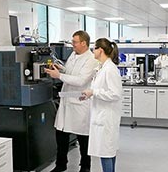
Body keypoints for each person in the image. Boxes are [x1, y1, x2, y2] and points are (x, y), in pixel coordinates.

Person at [45, 30, 98, 172]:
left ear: (83, 43)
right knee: (61, 134)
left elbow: (81, 80)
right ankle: (61, 165)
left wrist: (59, 75)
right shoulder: (73, 55)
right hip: (67, 101)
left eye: (74, 42)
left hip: (80, 103)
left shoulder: (91, 60)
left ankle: (85, 167)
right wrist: (60, 68)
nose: (72, 44)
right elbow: (70, 71)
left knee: (83, 138)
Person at [80, 38, 122, 172]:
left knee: (106, 153)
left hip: (106, 117)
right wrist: (89, 94)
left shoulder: (110, 69)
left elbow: (115, 94)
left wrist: (94, 92)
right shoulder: (102, 67)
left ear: (100, 50)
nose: (92, 50)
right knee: (108, 151)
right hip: (101, 115)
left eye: (94, 48)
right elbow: (100, 90)